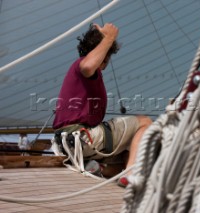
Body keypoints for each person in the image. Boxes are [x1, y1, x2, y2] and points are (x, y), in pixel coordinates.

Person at [52, 23, 152, 187]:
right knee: (144, 122)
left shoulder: (79, 75)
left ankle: (100, 169)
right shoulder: (83, 65)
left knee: (130, 154)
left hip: (69, 144)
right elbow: (88, 66)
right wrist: (110, 38)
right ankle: (131, 174)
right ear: (104, 54)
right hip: (81, 138)